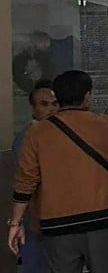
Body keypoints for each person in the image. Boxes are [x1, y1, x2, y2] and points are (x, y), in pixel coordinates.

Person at [8, 70, 108, 273]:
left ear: (58, 97)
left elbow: (26, 181)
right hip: (102, 219)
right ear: (87, 96)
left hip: (58, 225)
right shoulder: (104, 124)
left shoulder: (36, 133)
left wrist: (16, 222)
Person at [11, 81, 58, 273]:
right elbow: (25, 182)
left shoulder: (57, 135)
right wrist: (33, 216)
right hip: (35, 215)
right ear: (33, 107)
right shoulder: (26, 138)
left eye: (54, 103)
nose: (51, 109)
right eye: (44, 104)